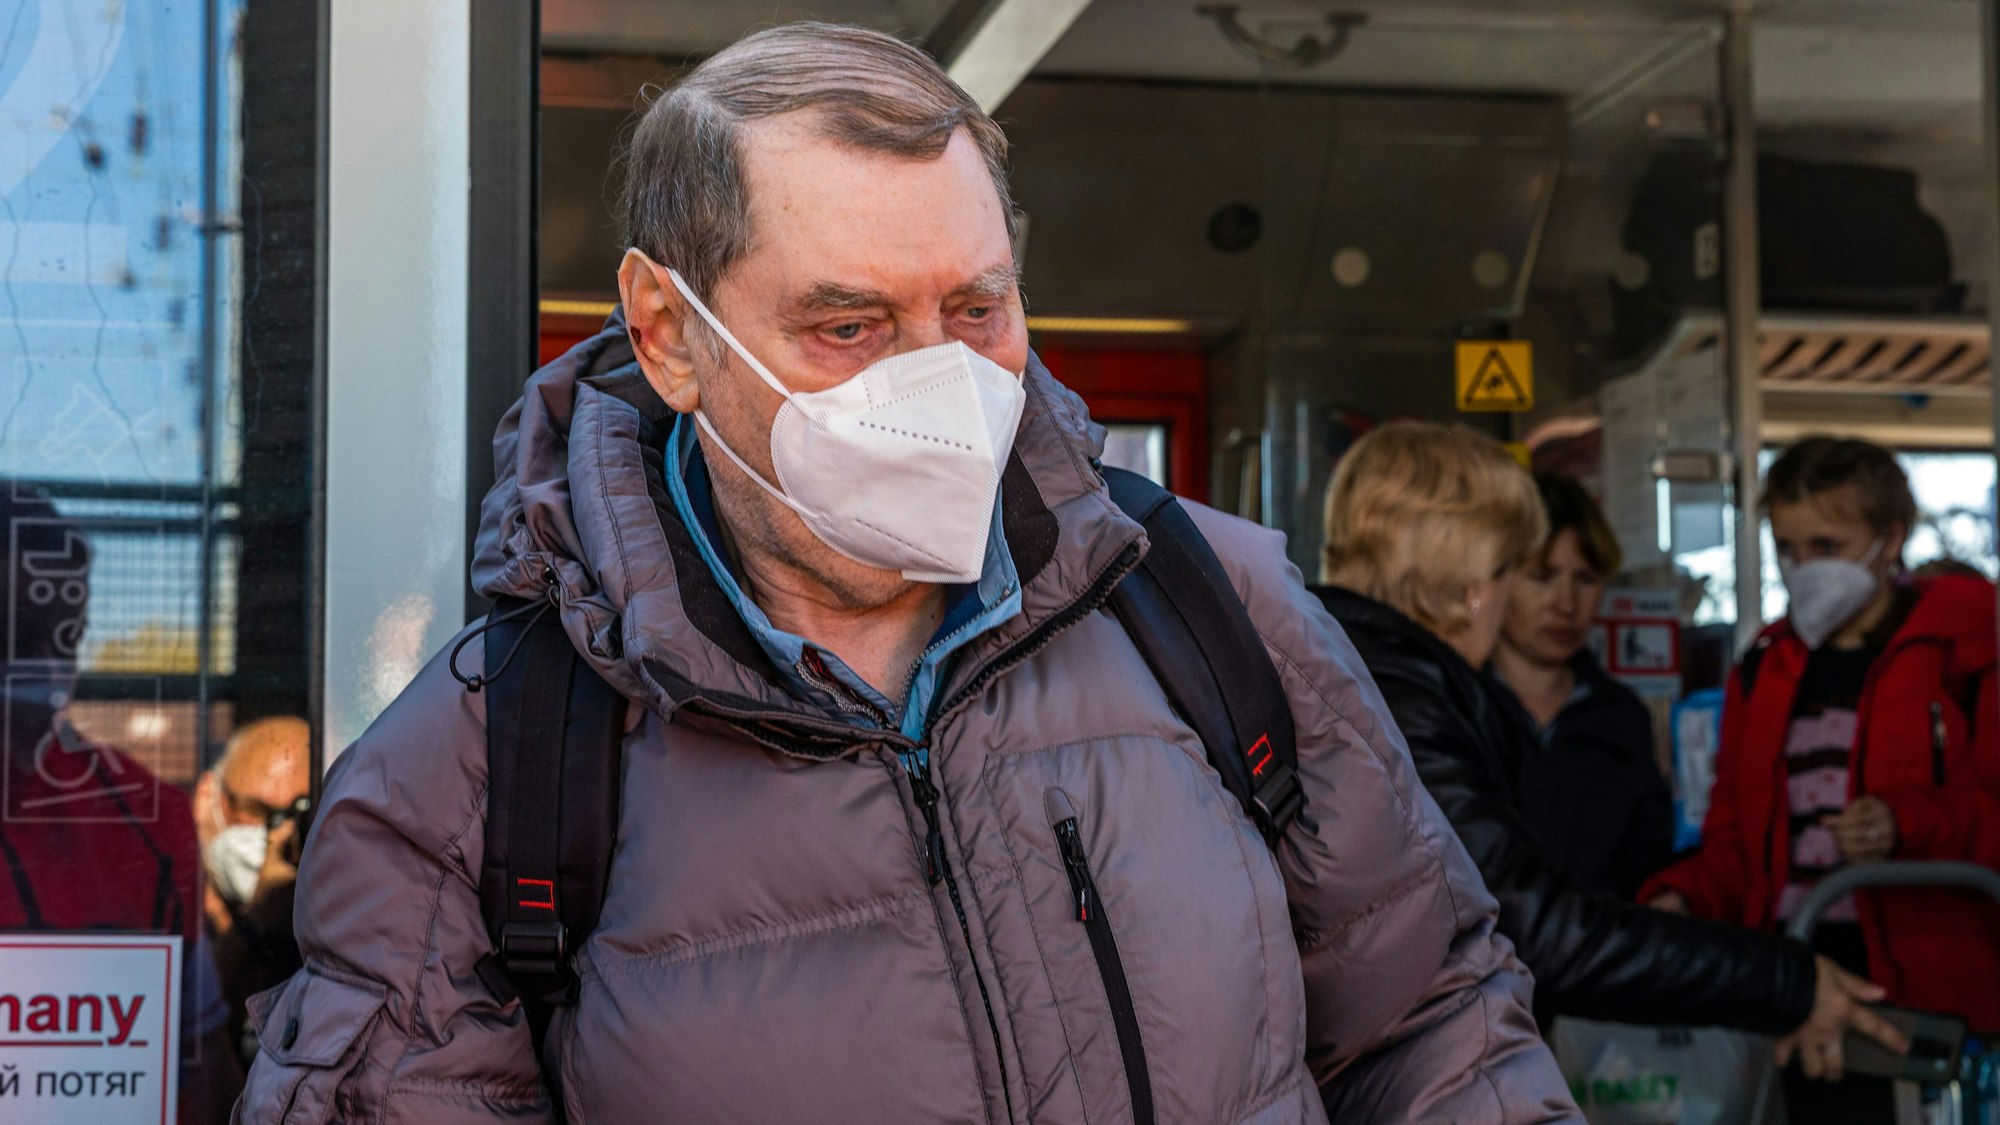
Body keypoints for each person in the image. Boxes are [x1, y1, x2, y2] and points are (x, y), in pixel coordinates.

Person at [234, 23, 1577, 1125]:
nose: (934, 381)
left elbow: (1435, 1029)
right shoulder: (478, 773)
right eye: (848, 324)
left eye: (976, 311)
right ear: (667, 334)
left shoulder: (1212, 604)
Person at [1310, 423, 1903, 1070]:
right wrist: (1788, 982)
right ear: (1470, 580)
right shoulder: (1403, 705)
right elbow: (1531, 928)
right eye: (1514, 568)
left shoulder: (1361, 679)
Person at [1642, 437, 2000, 1117]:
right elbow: (1736, 843)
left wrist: (1907, 823)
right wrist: (1681, 901)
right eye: (1788, 549)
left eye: (1827, 546)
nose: (1804, 569)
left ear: (1890, 537)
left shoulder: (1968, 648)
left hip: (1937, 1001)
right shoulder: (1768, 665)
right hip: (1799, 994)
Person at [0, 483, 241, 1119]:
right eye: (16, 633)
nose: (43, 663)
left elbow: (200, 1058)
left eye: (63, 632)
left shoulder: (147, 819)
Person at [1489, 475, 1672, 900]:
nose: (1565, 603)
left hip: (1602, 958)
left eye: (1586, 579)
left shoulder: (1622, 715)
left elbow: (1648, 868)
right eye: (1541, 576)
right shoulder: (1457, 706)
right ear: (1497, 580)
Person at [194, 716, 311, 1057]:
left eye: (298, 818)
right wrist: (261, 919)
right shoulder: (164, 904)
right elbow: (186, 1040)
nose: (278, 834)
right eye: (256, 811)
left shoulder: (326, 921)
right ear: (207, 799)